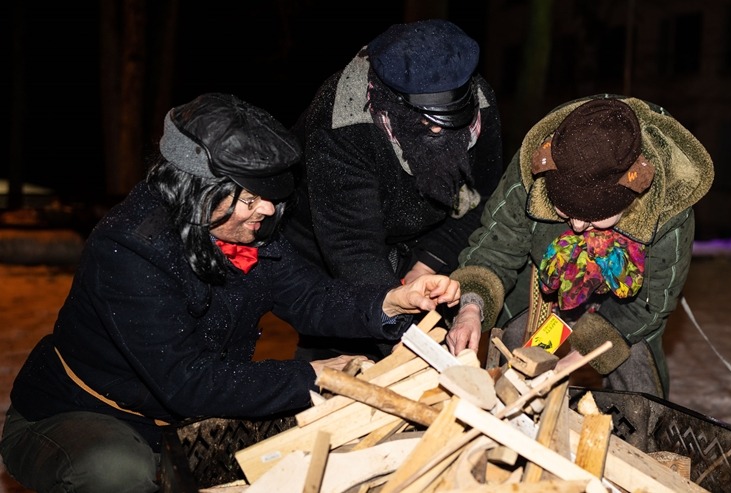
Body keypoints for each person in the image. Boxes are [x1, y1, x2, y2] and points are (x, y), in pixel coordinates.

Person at [0, 93, 461, 493]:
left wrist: (388, 301)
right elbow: (189, 383)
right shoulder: (128, 248)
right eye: (247, 197)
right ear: (195, 189)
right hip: (83, 414)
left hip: (185, 418)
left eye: (269, 196)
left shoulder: (244, 230)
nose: (264, 210)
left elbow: (309, 298)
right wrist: (315, 375)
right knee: (116, 473)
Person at [446, 95, 713, 399]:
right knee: (516, 366)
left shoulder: (669, 206)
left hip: (625, 305)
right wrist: (470, 306)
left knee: (637, 381)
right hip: (544, 282)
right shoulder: (536, 166)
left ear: (633, 192)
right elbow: (496, 245)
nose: (575, 226)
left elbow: (651, 303)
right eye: (564, 212)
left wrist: (589, 351)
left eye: (592, 219)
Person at [282, 19, 506, 360]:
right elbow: (352, 247)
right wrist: (398, 329)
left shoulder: (479, 104)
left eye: (448, 117)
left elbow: (476, 202)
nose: (436, 128)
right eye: (426, 118)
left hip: (419, 233)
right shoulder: (342, 120)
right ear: (391, 99)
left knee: (429, 334)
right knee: (345, 346)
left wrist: (426, 265)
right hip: (329, 241)